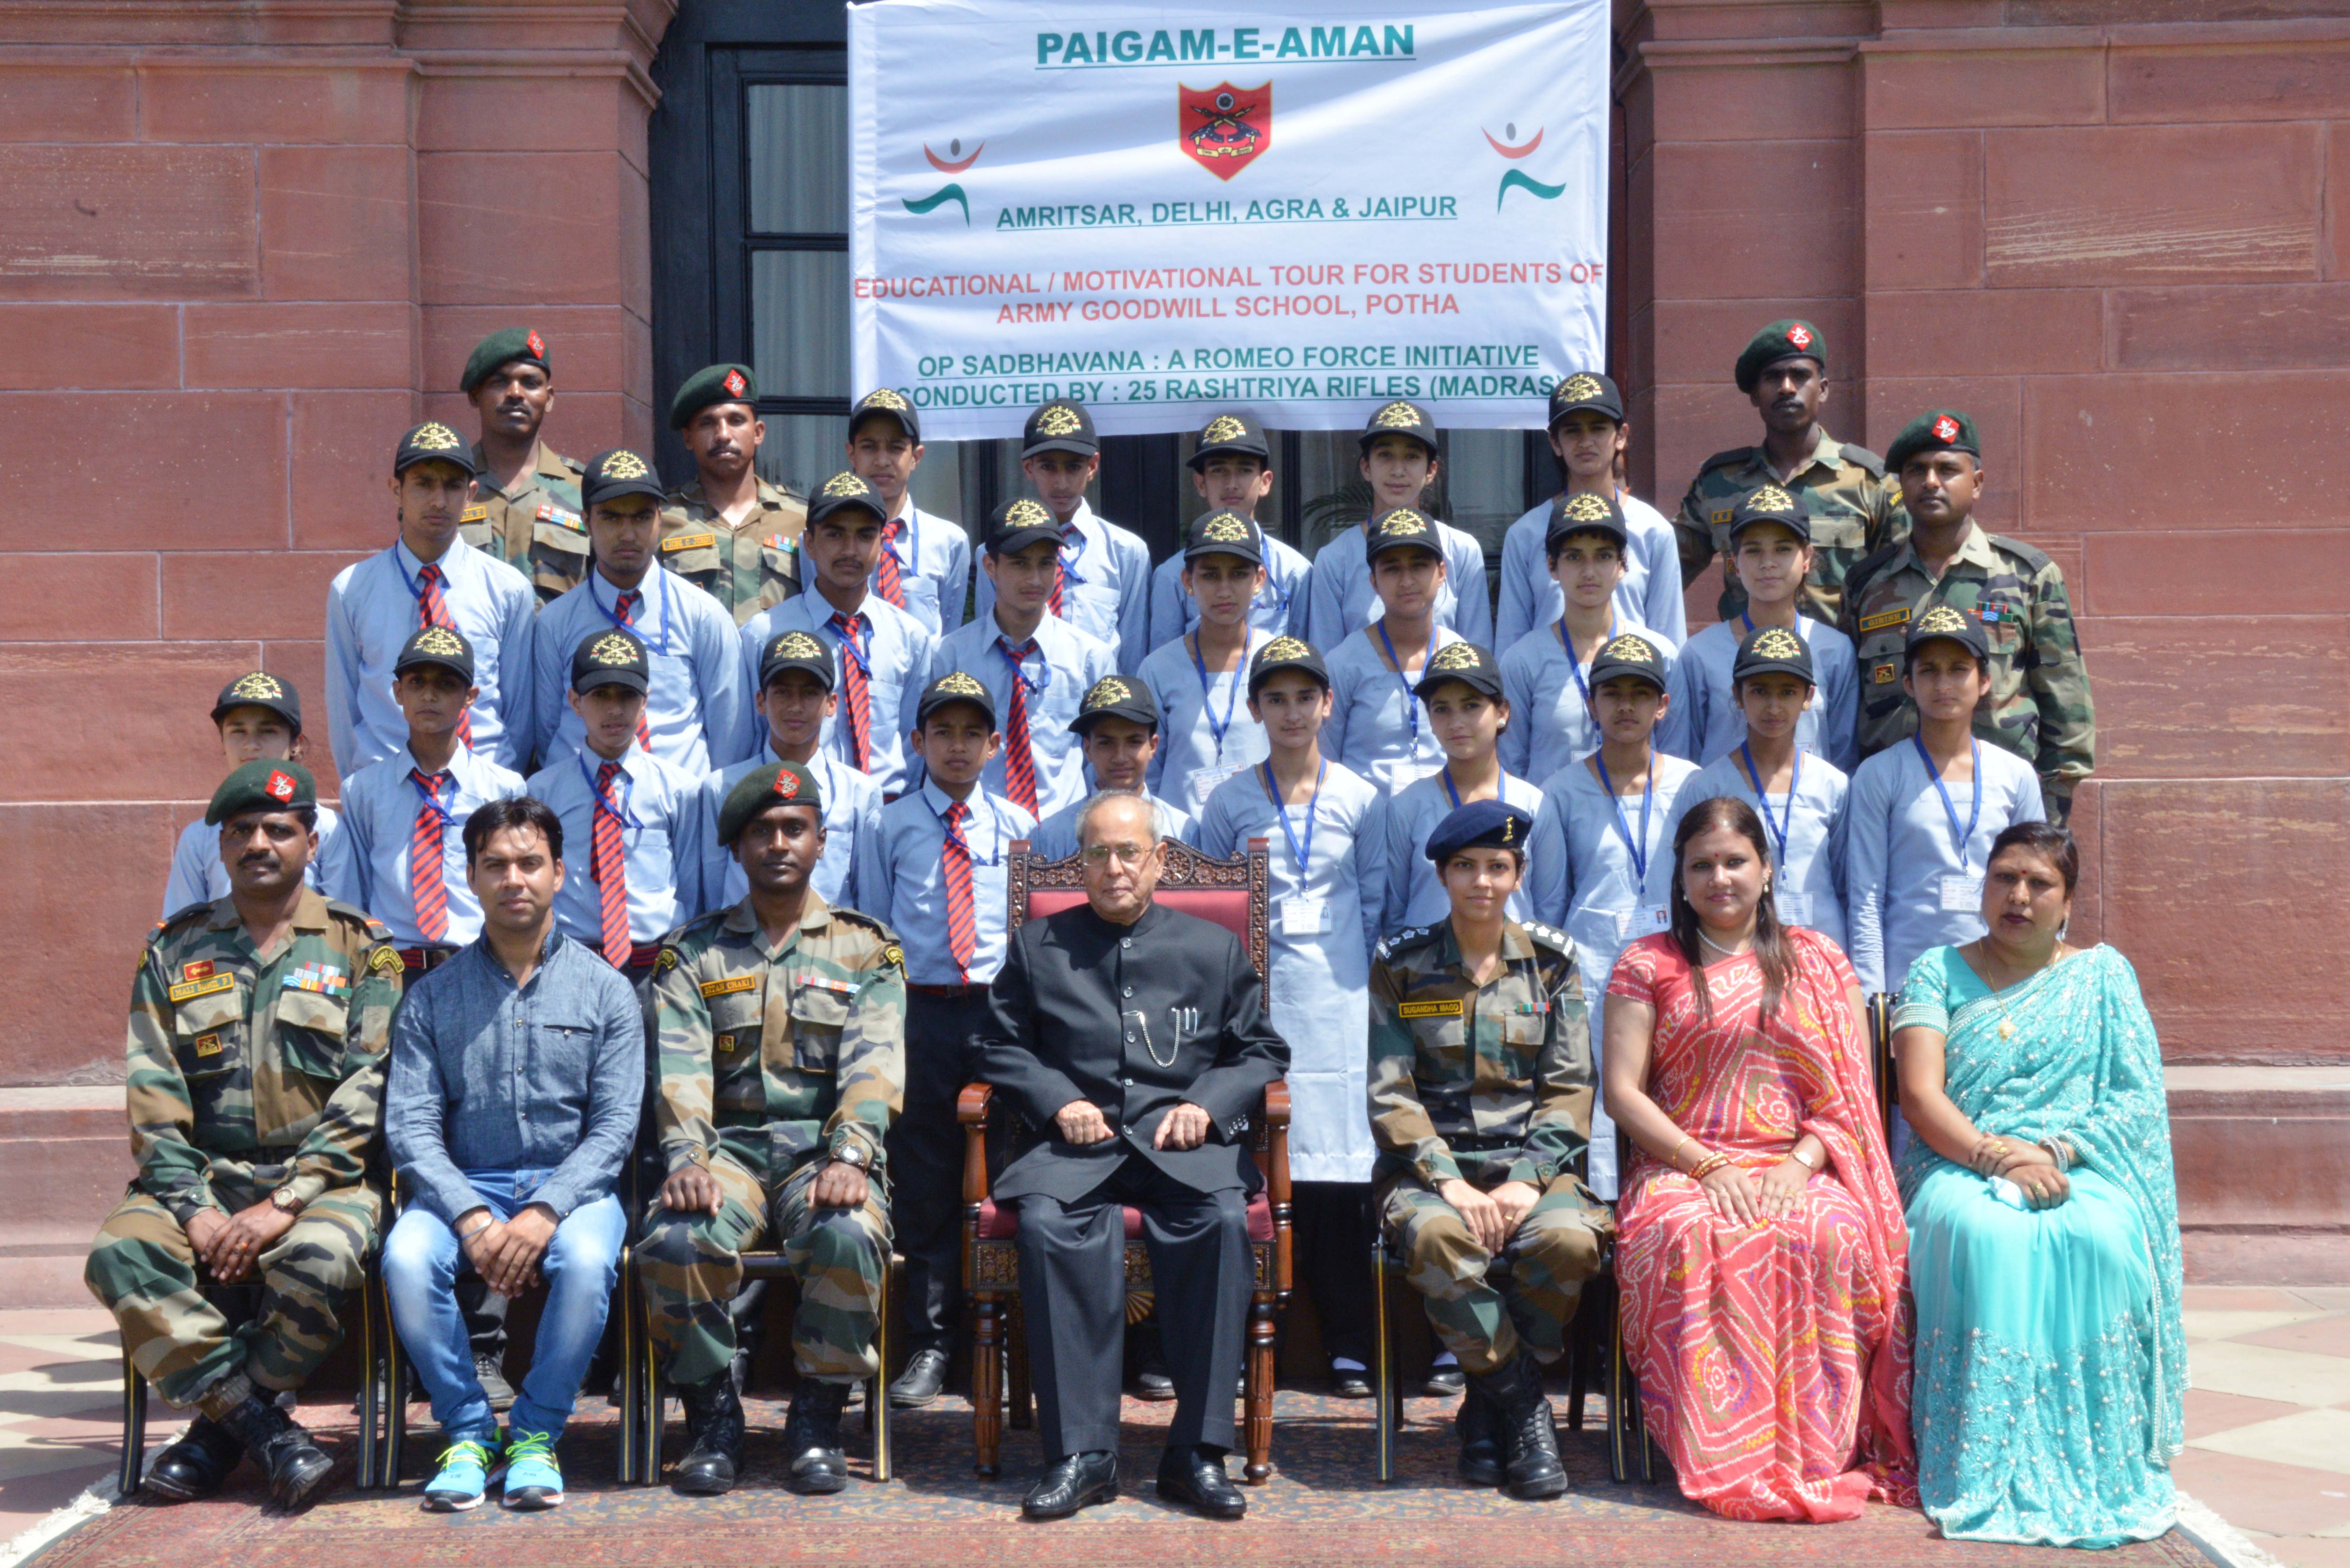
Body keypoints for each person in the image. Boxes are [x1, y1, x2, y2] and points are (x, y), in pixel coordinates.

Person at [87, 760, 401, 1511]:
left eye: (278, 829)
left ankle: (216, 1433)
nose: (259, 842)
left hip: (321, 1184)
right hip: (201, 1178)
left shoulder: (362, 948)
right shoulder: (173, 949)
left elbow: (367, 1092)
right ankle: (262, 1424)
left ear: (312, 842)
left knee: (321, 1257)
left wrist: (285, 1201)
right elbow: (153, 1099)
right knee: (121, 1251)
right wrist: (194, 1207)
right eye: (241, 831)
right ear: (219, 846)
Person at [974, 790, 1289, 1521]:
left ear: (1159, 860)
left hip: (1181, 1147)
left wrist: (1206, 1105)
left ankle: (1197, 1452)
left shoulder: (1211, 947)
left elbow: (1261, 1049)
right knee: (1048, 1224)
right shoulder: (1038, 946)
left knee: (1217, 1220)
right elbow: (998, 1045)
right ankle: (1081, 1454)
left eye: (1128, 852)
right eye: (1097, 853)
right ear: (1081, 863)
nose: (1113, 867)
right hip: (1076, 1149)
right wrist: (1058, 1099)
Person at [1604, 796, 1916, 1521]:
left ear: (1767, 869)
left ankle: (1815, 1450)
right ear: (1678, 878)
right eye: (1701, 864)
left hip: (1795, 1161)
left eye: (1734, 860)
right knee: (1688, 1234)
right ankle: (1718, 1445)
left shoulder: (1816, 958)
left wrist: (1799, 1165)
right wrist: (1706, 1166)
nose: (1719, 877)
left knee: (1827, 1230)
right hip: (1681, 1166)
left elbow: (1844, 1091)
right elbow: (1623, 1092)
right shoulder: (1646, 963)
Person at [1892, 822, 2183, 1546]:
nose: (2017, 895)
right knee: (1986, 1233)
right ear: (1983, 887)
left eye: (2038, 883)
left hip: (2077, 1161)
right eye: (2003, 878)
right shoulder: (1936, 969)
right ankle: (1979, 1453)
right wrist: (1999, 1156)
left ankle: (2102, 1460)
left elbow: (2134, 1100)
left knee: (2104, 1237)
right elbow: (1921, 1096)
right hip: (1957, 1160)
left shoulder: (2102, 977)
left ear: (2067, 902)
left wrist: (2053, 1148)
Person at [639, 762, 906, 1497]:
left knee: (848, 1230)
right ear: (737, 846)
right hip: (728, 1154)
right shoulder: (693, 954)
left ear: (822, 840)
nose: (779, 842)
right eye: (762, 831)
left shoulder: (866, 950)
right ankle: (713, 1416)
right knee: (673, 1236)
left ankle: (818, 1418)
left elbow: (873, 1065)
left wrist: (853, 1152)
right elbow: (681, 1071)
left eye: (795, 828)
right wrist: (688, 1155)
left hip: (821, 1155)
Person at [383, 796, 644, 1512]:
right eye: (495, 865)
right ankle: (467, 1431)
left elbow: (616, 1125)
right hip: (462, 1185)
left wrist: (545, 1209)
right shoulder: (433, 997)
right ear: (470, 876)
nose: (513, 879)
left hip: (574, 1190)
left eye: (530, 863)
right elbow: (410, 1124)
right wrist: (469, 1213)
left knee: (588, 1263)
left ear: (560, 873)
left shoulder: (608, 991)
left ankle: (533, 1433)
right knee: (406, 1257)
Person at [1368, 800, 1607, 1498]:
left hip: (1531, 1165)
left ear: (1518, 873)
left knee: (1567, 1240)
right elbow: (1392, 1094)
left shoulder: (1554, 965)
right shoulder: (1402, 965)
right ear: (1442, 874)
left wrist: (1527, 1181)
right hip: (1428, 1169)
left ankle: (1484, 1408)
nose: (1481, 881)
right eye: (1465, 867)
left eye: (1496, 867)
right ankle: (1521, 1402)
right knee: (1438, 1237)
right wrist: (1451, 1183)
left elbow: (1569, 1089)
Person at [1199, 637, 1384, 1399]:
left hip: (1340, 1001)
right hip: (1261, 1002)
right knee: (1254, 1172)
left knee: (1337, 1177)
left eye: (1304, 697)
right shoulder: (1228, 800)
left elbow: (1375, 899)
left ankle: (1348, 1340)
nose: (1291, 712)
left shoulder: (1361, 796)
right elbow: (1213, 910)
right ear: (1255, 710)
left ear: (1327, 704)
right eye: (1275, 698)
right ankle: (1243, 1337)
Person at [853, 673, 1037, 1408]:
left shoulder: (1020, 825)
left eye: (972, 733)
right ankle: (931, 1342)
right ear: (916, 741)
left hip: (996, 1010)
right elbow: (870, 921)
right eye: (943, 731)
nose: (957, 746)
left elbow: (1029, 932)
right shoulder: (889, 824)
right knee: (925, 1181)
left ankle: (1009, 1336)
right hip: (919, 1012)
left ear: (995, 745)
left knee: (1006, 1171)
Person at [1842, 409, 2094, 825]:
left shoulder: (2027, 576)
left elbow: (2069, 712)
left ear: (1977, 483)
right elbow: (1846, 703)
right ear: (1901, 484)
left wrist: (2045, 825)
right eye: (1916, 470)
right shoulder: (1865, 584)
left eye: (1947, 469)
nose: (1930, 482)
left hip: (2003, 803)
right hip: (1894, 805)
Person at [1524, 633, 1699, 1198]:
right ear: (1591, 703)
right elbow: (1549, 907)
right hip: (1594, 974)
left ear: (1663, 705)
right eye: (1613, 693)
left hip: (1679, 966)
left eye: (1641, 694)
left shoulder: (1694, 785)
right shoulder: (1562, 791)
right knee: (1602, 1096)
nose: (1627, 707)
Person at [1846, 606, 2046, 999]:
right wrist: (1874, 997)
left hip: (2000, 980)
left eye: (1958, 669)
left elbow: (2040, 886)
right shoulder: (1879, 774)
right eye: (1928, 670)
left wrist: (2037, 981)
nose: (1943, 684)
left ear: (1985, 680)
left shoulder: (2015, 774)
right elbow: (1866, 897)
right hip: (1910, 980)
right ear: (1907, 683)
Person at [326, 422, 535, 775]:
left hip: (484, 794)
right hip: (387, 786)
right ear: (396, 490)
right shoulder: (352, 589)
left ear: (471, 494)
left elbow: (520, 715)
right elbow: (344, 713)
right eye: (423, 484)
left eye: (452, 486)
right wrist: (365, 790)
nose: (439, 501)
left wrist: (495, 785)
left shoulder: (507, 589)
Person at [534, 448, 754, 775]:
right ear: (587, 522)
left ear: (660, 520)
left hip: (679, 813)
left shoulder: (703, 615)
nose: (627, 534)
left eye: (641, 517)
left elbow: (731, 739)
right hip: (583, 809)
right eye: (611, 517)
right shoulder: (556, 621)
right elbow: (546, 730)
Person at [1672, 319, 1905, 626]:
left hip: (1836, 663)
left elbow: (1906, 578)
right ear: (1755, 395)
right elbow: (1665, 571)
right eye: (1773, 378)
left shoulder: (1869, 482)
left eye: (1800, 376)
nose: (1786, 388)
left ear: (1822, 390)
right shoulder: (1718, 484)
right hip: (1746, 663)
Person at [332, 628, 529, 971]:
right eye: (417, 683)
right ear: (397, 691)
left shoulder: (503, 789)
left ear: (470, 696)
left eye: (447, 685)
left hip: (480, 964)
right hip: (393, 967)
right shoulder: (363, 791)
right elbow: (357, 891)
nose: (429, 696)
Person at [739, 471, 935, 799]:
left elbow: (914, 742)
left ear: (882, 543)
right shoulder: (764, 634)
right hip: (796, 813)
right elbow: (749, 737)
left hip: (887, 812)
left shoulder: (910, 637)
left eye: (864, 536)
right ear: (810, 544)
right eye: (835, 535)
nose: (850, 550)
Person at [525, 629, 707, 977]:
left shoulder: (678, 789)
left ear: (645, 701)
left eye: (627, 695)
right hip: (571, 967)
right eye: (600, 695)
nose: (614, 709)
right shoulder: (544, 791)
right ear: (576, 702)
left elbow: (692, 885)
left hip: (658, 967)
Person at [930, 498, 1118, 821]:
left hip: (1064, 835)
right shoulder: (954, 654)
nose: (1034, 579)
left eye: (1045, 564)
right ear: (990, 566)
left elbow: (1101, 757)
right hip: (978, 831)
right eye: (1020, 563)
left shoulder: (1089, 657)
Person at [1669, 626, 1851, 952]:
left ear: (1808, 697)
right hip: (1735, 952)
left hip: (1823, 950)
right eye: (1759, 691)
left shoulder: (1832, 785)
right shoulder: (1709, 787)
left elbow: (1845, 880)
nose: (1773, 707)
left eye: (1787, 692)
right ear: (1737, 695)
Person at [1660, 484, 1858, 770]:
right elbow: (1680, 759)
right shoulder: (1700, 654)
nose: (1768, 564)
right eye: (1753, 551)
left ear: (1807, 558)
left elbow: (1844, 758)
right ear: (1735, 564)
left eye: (1783, 549)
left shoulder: (1834, 650)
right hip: (1723, 809)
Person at [1495, 373, 1685, 651]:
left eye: (1598, 429)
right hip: (1549, 688)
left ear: (1621, 436)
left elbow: (1670, 641)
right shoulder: (1526, 534)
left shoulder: (1653, 531)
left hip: (1632, 689)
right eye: (1573, 431)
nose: (1586, 442)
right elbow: (1510, 644)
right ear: (1555, 443)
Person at [1499, 492, 1678, 787]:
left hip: (1640, 820)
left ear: (1623, 565)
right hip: (1550, 821)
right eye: (1574, 557)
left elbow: (1674, 758)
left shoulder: (1659, 652)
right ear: (1552, 567)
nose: (1589, 572)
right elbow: (1511, 766)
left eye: (1604, 556)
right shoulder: (1523, 660)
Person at [703, 630, 881, 911]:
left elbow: (869, 897)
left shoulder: (859, 793)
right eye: (783, 692)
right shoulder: (722, 788)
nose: (796, 707)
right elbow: (711, 891)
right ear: (761, 701)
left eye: (810, 693)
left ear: (832, 703)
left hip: (833, 947)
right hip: (740, 946)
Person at [972, 400, 1152, 669]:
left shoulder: (1126, 551)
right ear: (1029, 468)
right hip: (1018, 697)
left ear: (1093, 466)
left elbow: (1134, 652)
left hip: (1098, 701)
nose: (1061, 483)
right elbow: (988, 640)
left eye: (1074, 467)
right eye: (1048, 467)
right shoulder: (995, 551)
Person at [1380, 642, 1545, 937]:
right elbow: (1395, 909)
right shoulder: (1407, 807)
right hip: (1428, 974)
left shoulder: (1534, 804)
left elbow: (1549, 905)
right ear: (1430, 718)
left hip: (1515, 973)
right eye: (1442, 709)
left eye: (1471, 706)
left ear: (1502, 712)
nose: (1456, 722)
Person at [1304, 400, 1492, 649]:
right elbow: (1327, 661)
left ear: (1431, 471)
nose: (1398, 471)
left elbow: (1478, 653)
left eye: (1412, 457)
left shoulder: (1462, 550)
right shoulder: (1335, 559)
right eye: (1385, 456)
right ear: (1366, 467)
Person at [164, 673, 350, 916]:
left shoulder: (327, 827)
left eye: (268, 731)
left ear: (296, 743)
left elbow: (345, 923)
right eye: (238, 731)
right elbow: (180, 932)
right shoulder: (200, 837)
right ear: (222, 742)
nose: (251, 744)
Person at [1323, 508, 1466, 793]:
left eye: (1419, 566)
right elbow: (1327, 759)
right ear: (1374, 581)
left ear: (1442, 573)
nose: (1407, 581)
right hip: (1370, 826)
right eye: (1392, 569)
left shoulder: (1461, 656)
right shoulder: (1344, 663)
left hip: (1447, 823)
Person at [1138, 510, 1271, 813]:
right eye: (1210, 575)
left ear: (1259, 579)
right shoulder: (1159, 668)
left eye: (1239, 574)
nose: (1224, 590)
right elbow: (1150, 769)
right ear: (1188, 580)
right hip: (1180, 839)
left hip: (1260, 831)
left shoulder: (1277, 659)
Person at [660, 363, 807, 624]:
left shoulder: (802, 520)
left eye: (737, 421)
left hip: (777, 664)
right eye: (708, 423)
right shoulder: (662, 519)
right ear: (688, 438)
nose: (723, 435)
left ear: (758, 432)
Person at [1147, 411, 1310, 644]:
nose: (1231, 484)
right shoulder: (1172, 576)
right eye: (1218, 471)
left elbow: (1305, 658)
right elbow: (1163, 665)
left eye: (1244, 470)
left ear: (1265, 483)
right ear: (1201, 484)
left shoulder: (1295, 571)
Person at [456, 327, 590, 602]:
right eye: (499, 383)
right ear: (474, 396)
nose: (515, 393)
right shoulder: (448, 486)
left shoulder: (585, 490)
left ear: (549, 399)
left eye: (530, 383)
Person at [845, 388, 970, 636]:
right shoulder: (826, 539)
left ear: (916, 457)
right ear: (852, 454)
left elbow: (948, 634)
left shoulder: (950, 541)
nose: (882, 461)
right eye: (869, 447)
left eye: (896, 448)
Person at [1031, 675, 1196, 862]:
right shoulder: (1053, 835)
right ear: (1087, 748)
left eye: (1134, 742)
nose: (1120, 757)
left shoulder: (1183, 832)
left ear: (1153, 746)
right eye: (1106, 743)